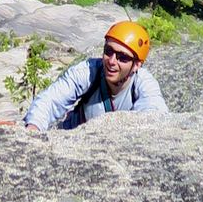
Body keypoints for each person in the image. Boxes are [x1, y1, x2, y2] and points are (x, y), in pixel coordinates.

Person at [23, 21, 168, 131]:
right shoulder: (89, 71)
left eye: (122, 57)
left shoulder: (144, 84)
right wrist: (34, 126)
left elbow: (154, 114)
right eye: (108, 51)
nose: (112, 61)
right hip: (71, 137)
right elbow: (51, 100)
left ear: (136, 65)